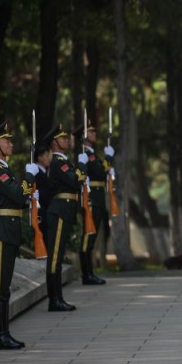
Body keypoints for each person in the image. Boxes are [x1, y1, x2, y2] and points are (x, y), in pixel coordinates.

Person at [0, 122, 39, 349]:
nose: (10, 144)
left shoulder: (4, 169)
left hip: (9, 229)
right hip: (2, 231)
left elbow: (20, 200)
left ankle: (4, 333)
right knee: (0, 287)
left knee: (4, 287)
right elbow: (18, 196)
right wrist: (29, 177)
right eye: (6, 140)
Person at [45, 124, 85, 312]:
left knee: (58, 256)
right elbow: (76, 182)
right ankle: (54, 299)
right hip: (59, 212)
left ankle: (58, 298)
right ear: (55, 143)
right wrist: (82, 165)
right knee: (55, 258)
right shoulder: (58, 163)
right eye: (63, 138)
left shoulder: (63, 162)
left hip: (64, 211)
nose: (67, 140)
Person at [73, 122, 113, 285]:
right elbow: (100, 172)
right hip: (91, 200)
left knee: (92, 238)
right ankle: (86, 274)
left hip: (97, 199)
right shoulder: (86, 155)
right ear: (84, 136)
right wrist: (108, 158)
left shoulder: (92, 154)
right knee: (88, 239)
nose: (94, 134)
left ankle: (89, 273)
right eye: (90, 132)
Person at [34, 144, 53, 238]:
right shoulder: (37, 173)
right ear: (39, 157)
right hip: (41, 212)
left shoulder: (43, 173)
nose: (49, 158)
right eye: (46, 155)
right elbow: (44, 194)